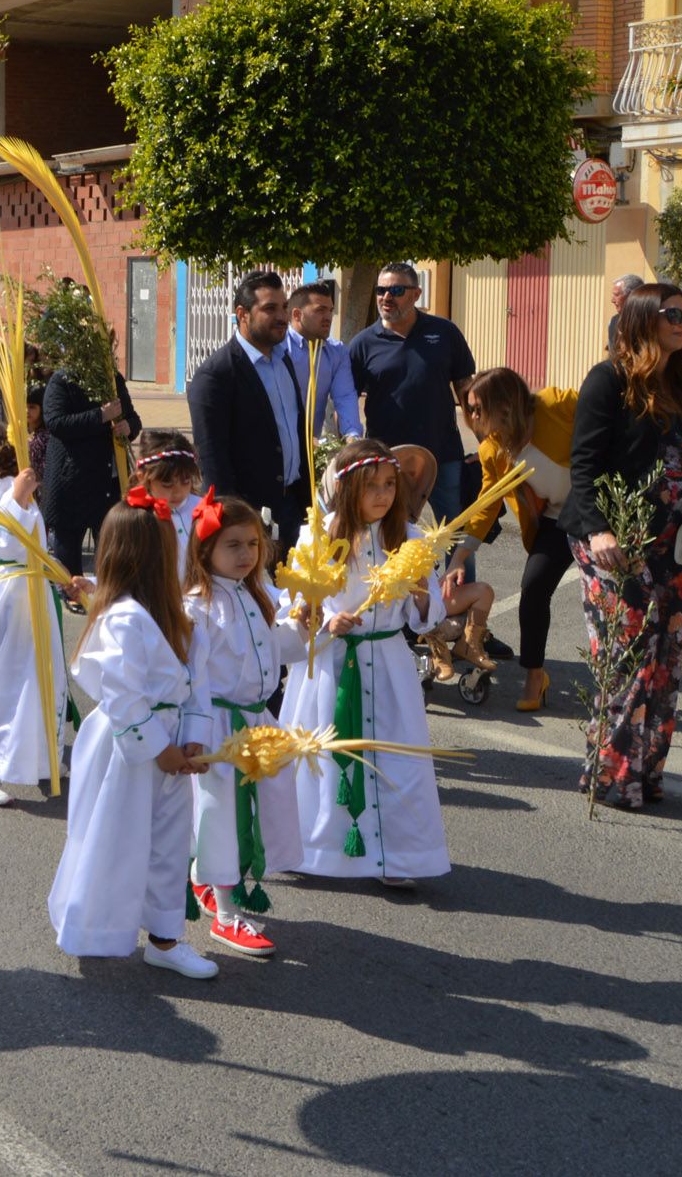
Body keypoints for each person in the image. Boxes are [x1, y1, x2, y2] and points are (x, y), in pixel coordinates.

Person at [45, 491, 215, 980]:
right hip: (127, 748)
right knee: (114, 840)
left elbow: (198, 688)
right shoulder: (123, 618)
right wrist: (158, 749)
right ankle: (94, 928)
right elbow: (123, 695)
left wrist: (193, 740)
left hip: (170, 744)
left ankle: (164, 938)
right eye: (169, 544)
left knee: (169, 842)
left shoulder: (183, 619)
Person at [279, 441, 449, 884]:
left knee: (394, 759)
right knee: (326, 757)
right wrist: (323, 618)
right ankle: (315, 851)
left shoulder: (411, 539)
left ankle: (395, 857)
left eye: (390, 485)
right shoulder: (318, 535)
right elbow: (294, 601)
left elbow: (428, 617)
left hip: (389, 662)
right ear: (347, 487)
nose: (383, 495)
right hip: (331, 666)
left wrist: (422, 593)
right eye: (371, 486)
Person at [564, 282, 682, 810]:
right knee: (626, 651)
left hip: (672, 543)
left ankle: (645, 773)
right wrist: (600, 531)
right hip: (611, 539)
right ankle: (611, 774)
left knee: (665, 658)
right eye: (671, 312)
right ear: (645, 317)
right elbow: (585, 466)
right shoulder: (609, 380)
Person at [181, 493, 301, 959]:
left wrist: (309, 628)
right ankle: (228, 913)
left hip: (255, 719)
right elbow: (190, 672)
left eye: (253, 543)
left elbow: (276, 648)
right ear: (203, 549)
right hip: (216, 726)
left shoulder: (259, 593)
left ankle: (206, 883)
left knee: (250, 811)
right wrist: (194, 731)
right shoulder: (198, 605)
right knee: (221, 816)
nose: (246, 554)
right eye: (232, 545)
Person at [444, 367, 575, 710]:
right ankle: (534, 675)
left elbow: (607, 419)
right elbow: (487, 503)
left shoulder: (554, 404)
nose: (471, 416)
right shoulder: (492, 449)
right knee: (533, 590)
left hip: (600, 509)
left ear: (505, 404)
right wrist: (459, 557)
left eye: (476, 408)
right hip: (556, 520)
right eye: (468, 409)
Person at [0, 429, 67, 807]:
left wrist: (64, 578)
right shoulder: (2, 487)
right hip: (10, 591)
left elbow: (34, 548)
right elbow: (2, 543)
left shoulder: (5, 486)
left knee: (36, 677)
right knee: (11, 679)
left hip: (27, 589)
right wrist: (18, 498)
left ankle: (36, 755)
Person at [348, 262, 475, 525]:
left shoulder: (445, 333)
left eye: (395, 290)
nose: (386, 297)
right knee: (389, 538)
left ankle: (457, 570)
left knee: (454, 534)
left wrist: (485, 442)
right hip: (387, 460)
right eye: (380, 290)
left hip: (444, 455)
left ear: (416, 294)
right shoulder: (363, 343)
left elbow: (467, 391)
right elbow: (346, 400)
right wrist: (351, 449)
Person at [187, 270, 304, 555]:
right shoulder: (216, 375)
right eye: (270, 308)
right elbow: (214, 462)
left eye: (284, 307)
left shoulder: (283, 361)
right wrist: (236, 526)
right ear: (243, 314)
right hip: (249, 518)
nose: (282, 317)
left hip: (292, 509)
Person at [41, 361, 140, 573]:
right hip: (72, 480)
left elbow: (132, 417)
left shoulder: (113, 378)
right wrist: (100, 416)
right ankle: (72, 598)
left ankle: (106, 596)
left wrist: (129, 426)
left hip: (107, 481)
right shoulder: (62, 379)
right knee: (68, 549)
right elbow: (56, 422)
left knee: (110, 547)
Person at [284, 281, 361, 440]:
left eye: (330, 310)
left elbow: (345, 396)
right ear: (297, 314)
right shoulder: (277, 348)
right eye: (320, 310)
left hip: (311, 451)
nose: (328, 317)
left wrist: (352, 435)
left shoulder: (336, 352)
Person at [133, 429, 203, 560]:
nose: (178, 491)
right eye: (167, 484)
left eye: (186, 481)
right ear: (143, 477)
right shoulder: (134, 518)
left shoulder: (203, 510)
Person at [607, 272, 643, 353]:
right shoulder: (613, 322)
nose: (612, 300)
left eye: (616, 295)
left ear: (632, 295)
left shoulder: (652, 321)